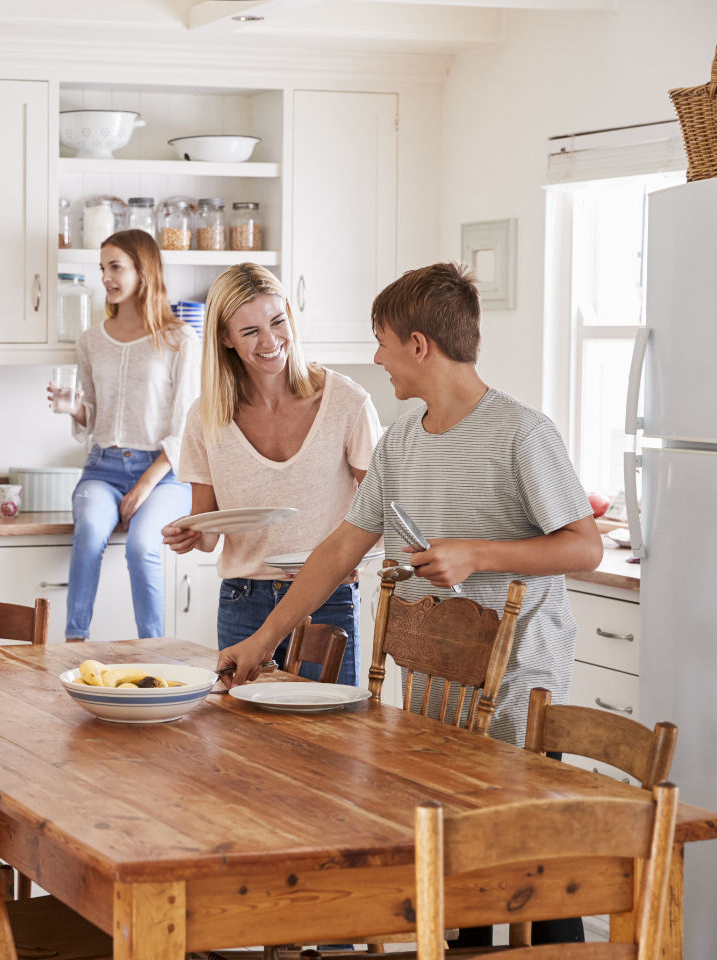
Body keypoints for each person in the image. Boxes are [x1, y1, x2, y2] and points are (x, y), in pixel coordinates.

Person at [216, 261, 602, 946]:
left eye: (382, 341)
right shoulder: (401, 442)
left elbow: (583, 546)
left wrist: (478, 553)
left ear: (419, 345)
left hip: (516, 686)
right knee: (461, 878)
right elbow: (338, 551)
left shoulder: (521, 432)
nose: (376, 357)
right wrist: (264, 640)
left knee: (527, 871)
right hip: (438, 687)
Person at [161, 263, 380, 681]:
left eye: (277, 321)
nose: (270, 341)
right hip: (244, 598)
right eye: (250, 332)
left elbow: (381, 508)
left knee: (329, 737)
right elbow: (208, 535)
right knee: (243, 738)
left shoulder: (347, 402)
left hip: (325, 599)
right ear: (225, 339)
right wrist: (188, 534)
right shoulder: (206, 416)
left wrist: (360, 556)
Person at [49, 229, 200, 640]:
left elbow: (187, 425)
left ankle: (153, 649)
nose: (106, 277)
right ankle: (73, 642)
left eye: (116, 267)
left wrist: (145, 486)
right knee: (90, 535)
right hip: (103, 468)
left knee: (140, 546)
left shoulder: (179, 340)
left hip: (165, 474)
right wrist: (73, 408)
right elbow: (93, 414)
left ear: (143, 271)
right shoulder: (91, 341)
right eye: (103, 268)